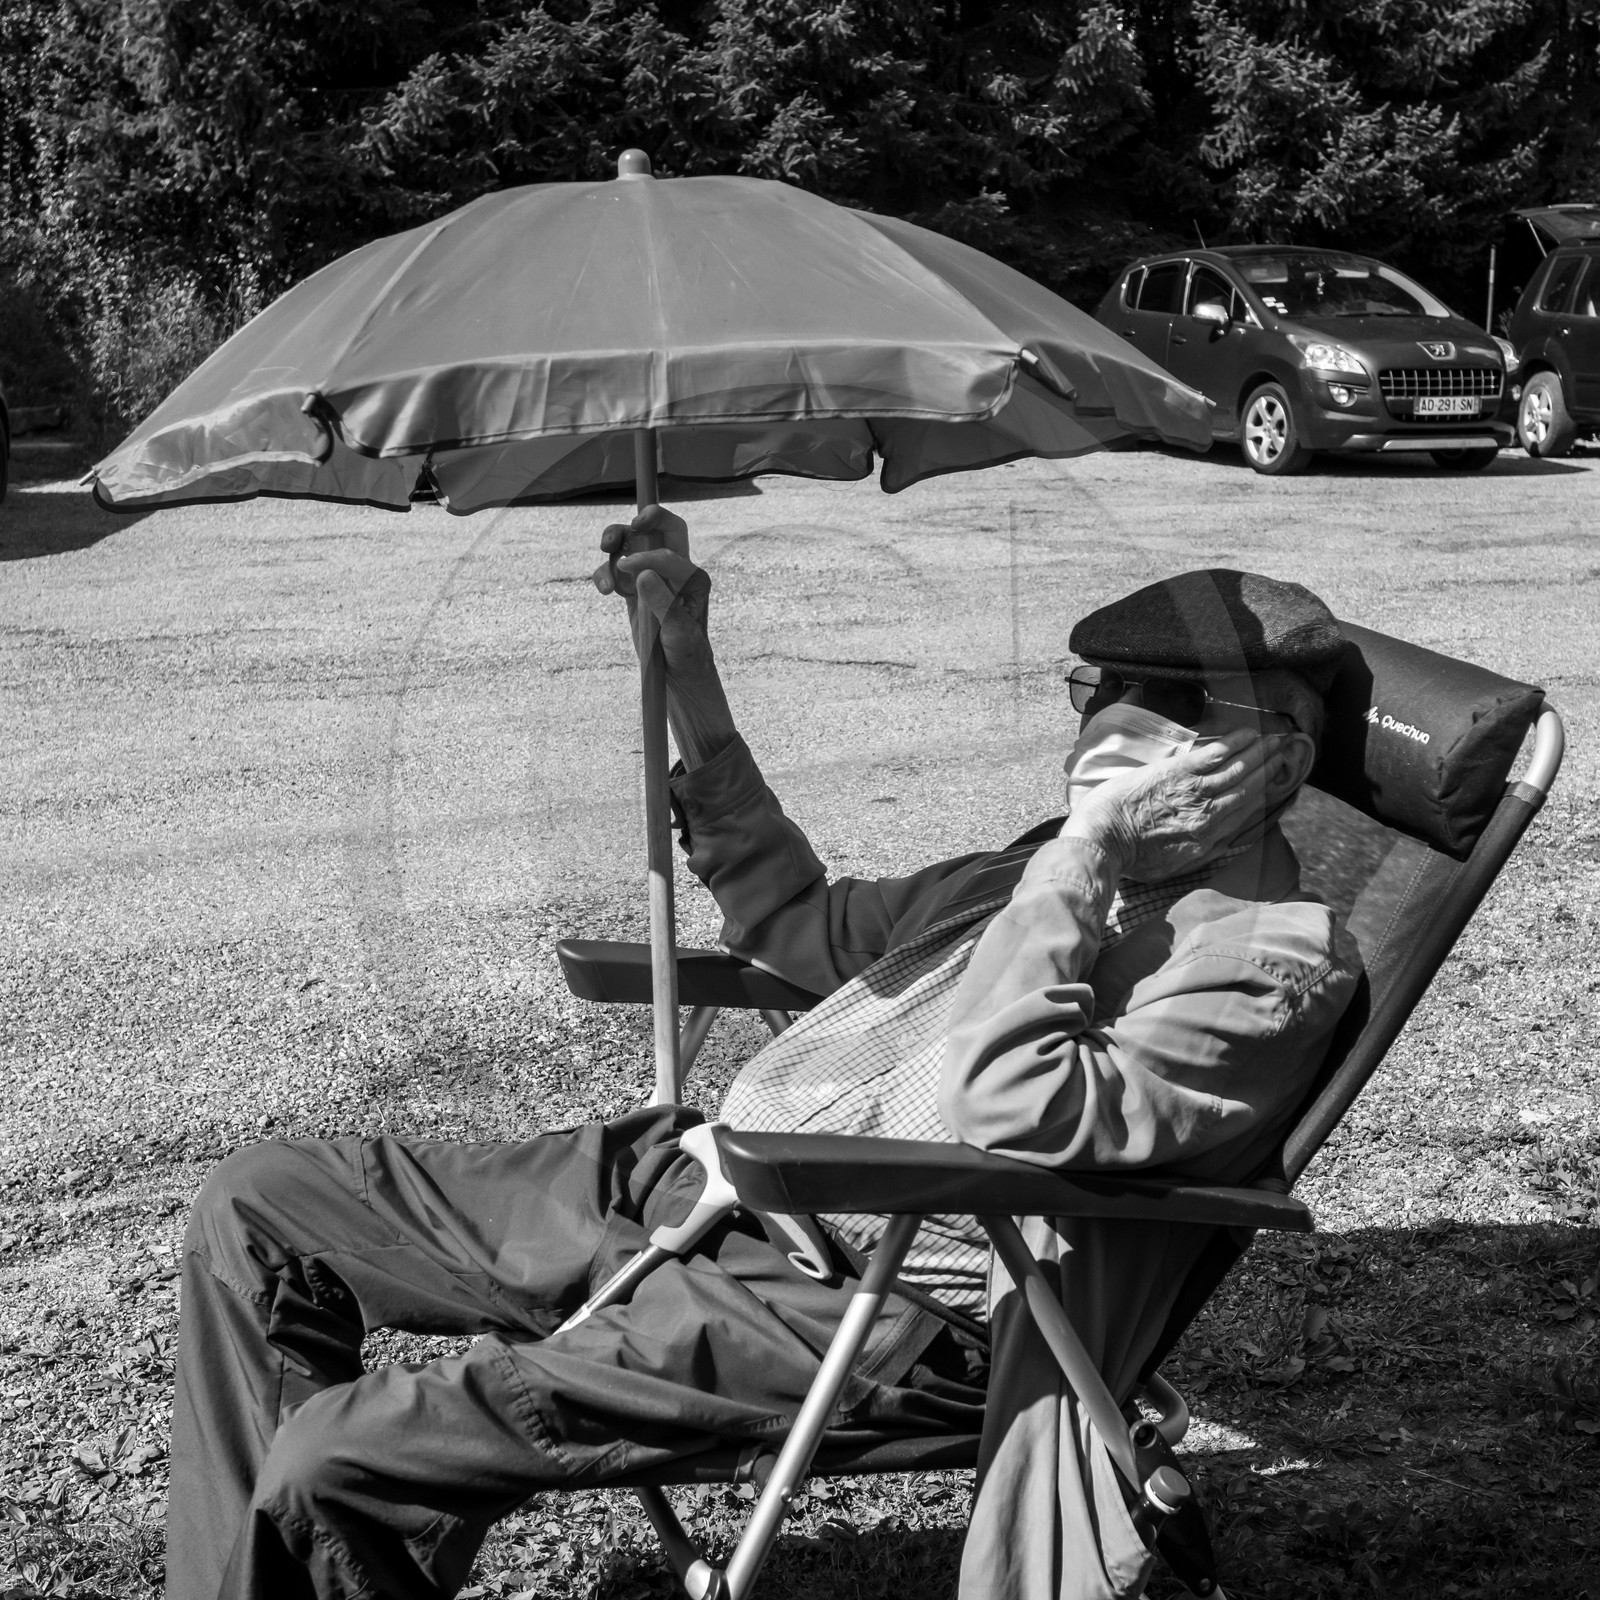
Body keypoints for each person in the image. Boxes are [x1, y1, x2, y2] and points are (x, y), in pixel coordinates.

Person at [165, 507, 1359, 1600]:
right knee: (261, 1202)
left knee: (340, 1455)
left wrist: (1085, 857)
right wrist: (689, 670)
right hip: (704, 1182)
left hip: (864, 1295)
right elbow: (803, 927)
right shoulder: (1029, 866)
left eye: (1176, 705)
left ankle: (299, 1540)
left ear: (1280, 764)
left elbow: (1014, 1101)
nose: (1110, 721)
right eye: (1102, 685)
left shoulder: (1263, 963)